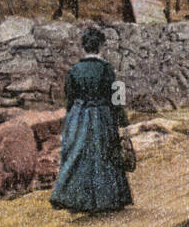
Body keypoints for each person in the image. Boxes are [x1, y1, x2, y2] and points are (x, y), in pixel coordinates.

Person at [49, 28, 132, 213]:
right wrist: (123, 123)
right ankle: (107, 200)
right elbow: (116, 98)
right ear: (101, 46)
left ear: (83, 48)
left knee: (77, 154)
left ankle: (74, 198)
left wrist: (71, 120)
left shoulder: (74, 70)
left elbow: (69, 98)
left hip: (79, 116)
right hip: (102, 117)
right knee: (105, 154)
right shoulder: (106, 68)